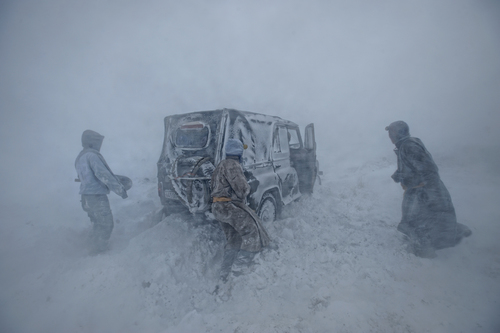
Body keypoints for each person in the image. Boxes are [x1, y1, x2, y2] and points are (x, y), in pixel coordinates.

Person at [386, 121, 471, 258]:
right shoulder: (405, 145)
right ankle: (455, 233)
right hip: (421, 191)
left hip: (426, 193)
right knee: (426, 221)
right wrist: (399, 176)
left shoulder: (409, 146)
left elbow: (429, 170)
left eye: (391, 132)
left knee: (421, 222)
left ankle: (425, 254)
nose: (389, 136)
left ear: (398, 133)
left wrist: (411, 183)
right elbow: (411, 166)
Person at [211, 139, 270, 283]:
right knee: (251, 231)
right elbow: (242, 190)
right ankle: (240, 269)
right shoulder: (233, 165)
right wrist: (250, 186)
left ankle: (225, 273)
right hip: (228, 206)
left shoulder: (221, 165)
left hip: (218, 207)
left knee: (234, 239)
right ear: (239, 153)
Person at [75, 130, 128, 255]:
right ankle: (99, 251)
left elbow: (85, 177)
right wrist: (120, 189)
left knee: (98, 223)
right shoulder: (92, 156)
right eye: (97, 142)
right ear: (91, 142)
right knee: (106, 224)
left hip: (86, 197)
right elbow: (103, 175)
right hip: (96, 196)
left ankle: (91, 245)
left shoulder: (80, 157)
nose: (99, 145)